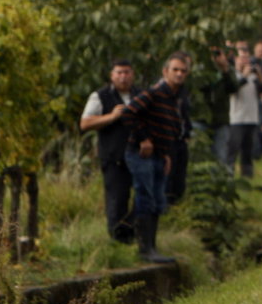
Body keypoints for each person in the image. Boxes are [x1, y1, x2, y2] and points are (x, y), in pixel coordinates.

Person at [121, 52, 192, 263]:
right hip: (141, 154)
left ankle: (151, 247)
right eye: (175, 70)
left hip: (160, 156)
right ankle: (144, 249)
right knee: (145, 196)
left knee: (158, 200)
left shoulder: (174, 97)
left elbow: (169, 128)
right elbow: (128, 113)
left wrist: (166, 154)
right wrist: (144, 139)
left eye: (183, 71)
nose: (179, 74)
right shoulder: (154, 93)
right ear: (165, 72)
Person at [79, 58, 140, 243]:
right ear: (112, 75)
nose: (123, 77)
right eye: (119, 73)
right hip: (114, 157)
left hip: (139, 155)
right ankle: (117, 240)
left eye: (127, 72)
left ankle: (132, 234)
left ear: (133, 75)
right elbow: (85, 123)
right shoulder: (100, 96)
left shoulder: (141, 94)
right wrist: (111, 117)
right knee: (116, 201)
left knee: (145, 196)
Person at [227, 51, 262, 179]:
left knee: (248, 151)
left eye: (247, 58)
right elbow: (233, 89)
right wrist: (244, 76)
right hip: (236, 118)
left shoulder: (253, 77)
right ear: (235, 60)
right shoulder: (233, 75)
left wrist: (260, 76)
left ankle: (247, 177)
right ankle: (229, 175)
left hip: (251, 118)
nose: (245, 61)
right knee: (233, 149)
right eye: (242, 58)